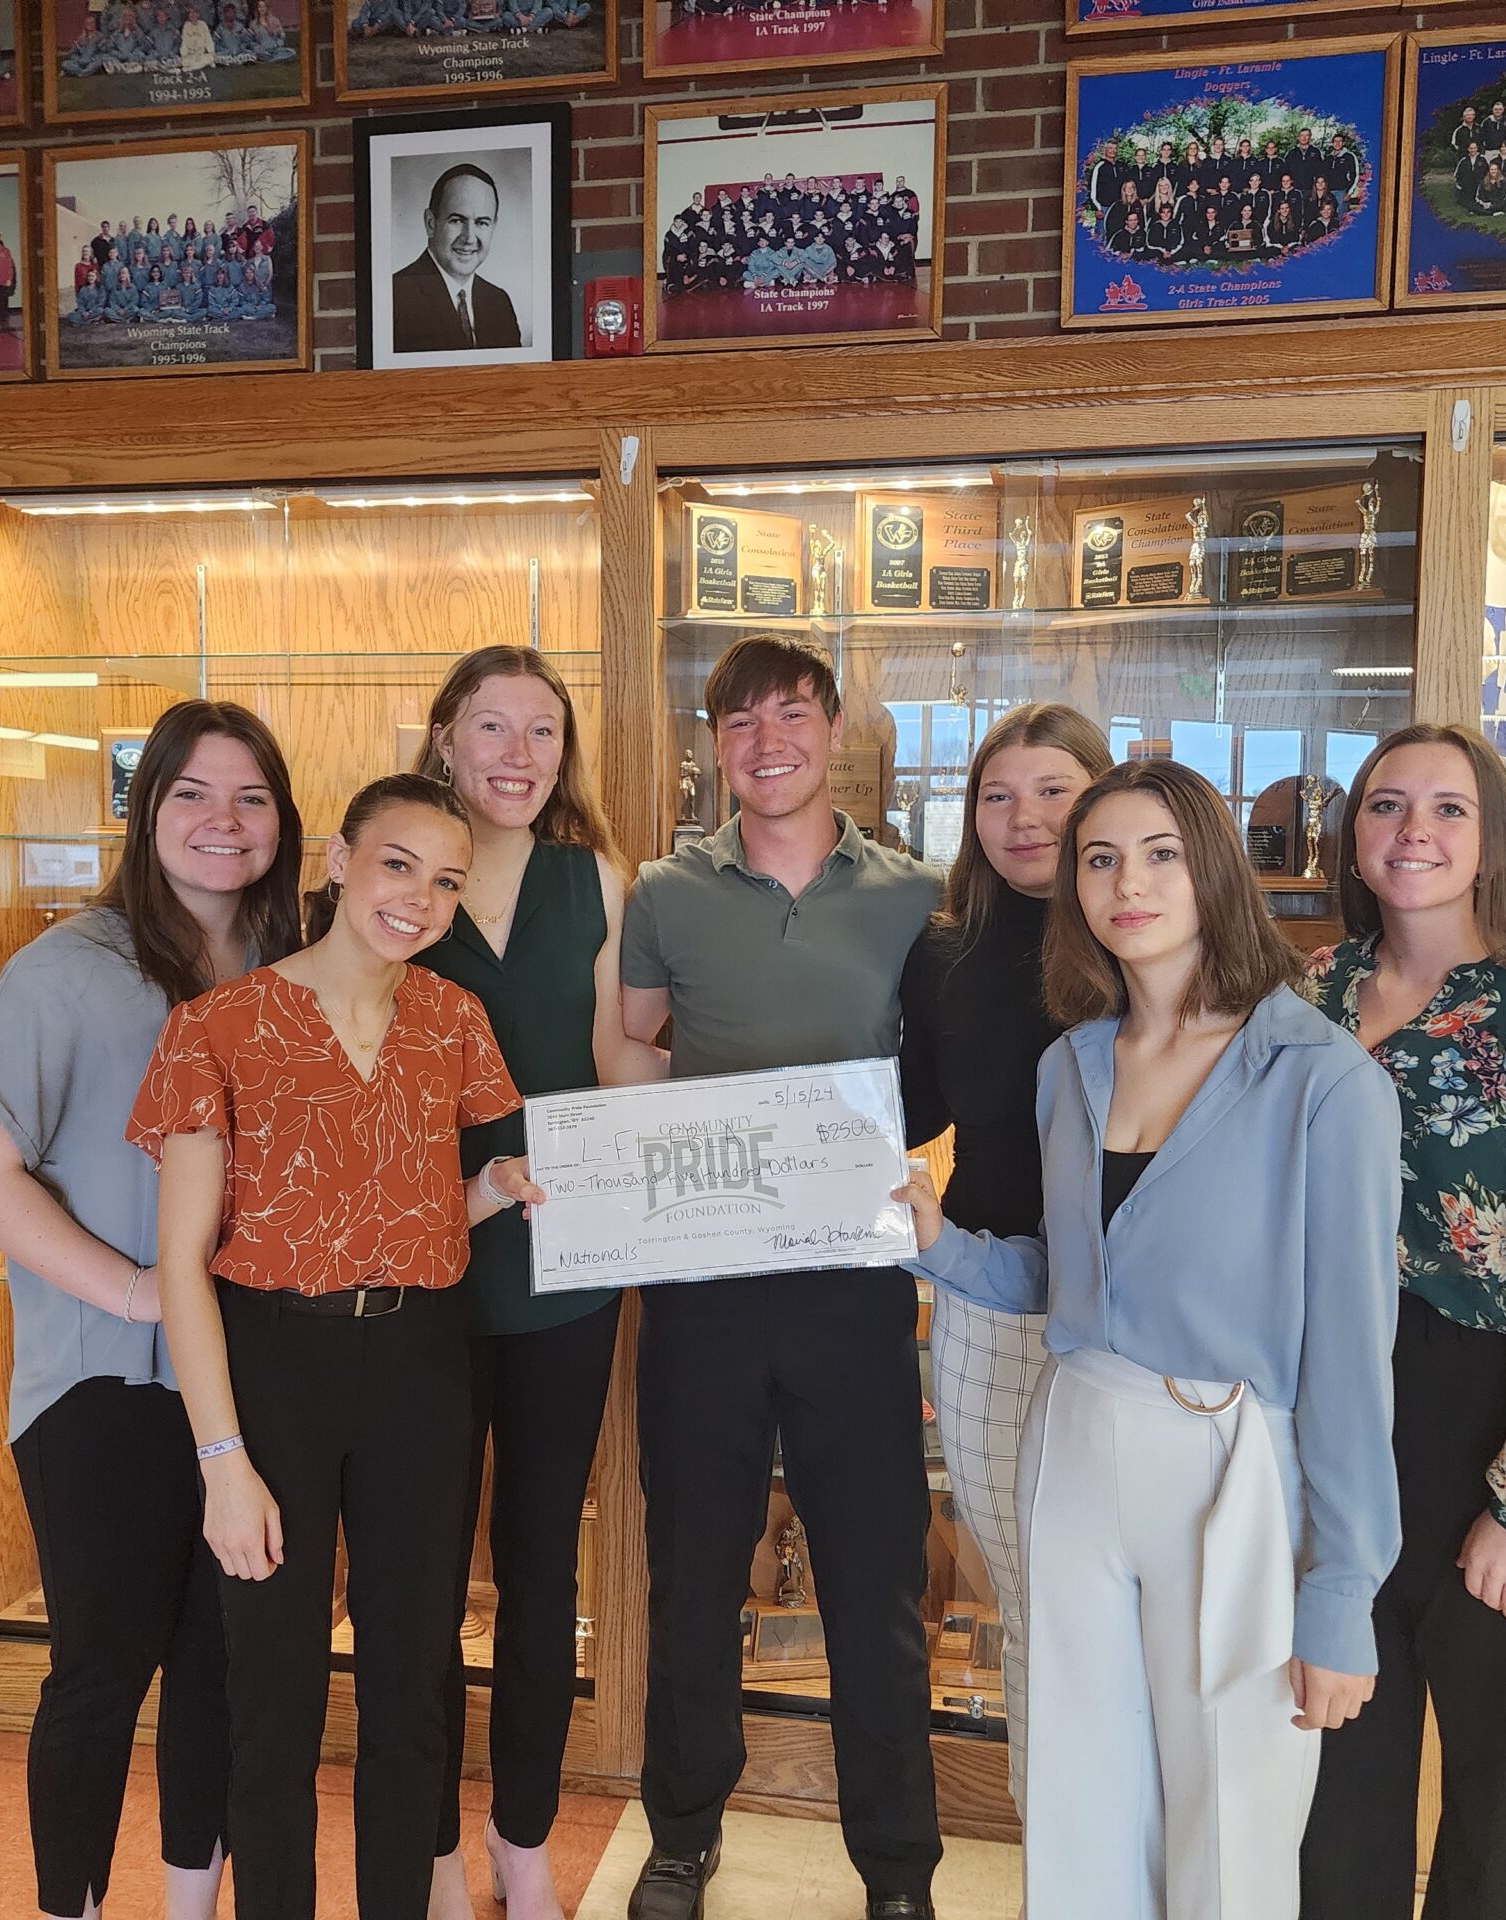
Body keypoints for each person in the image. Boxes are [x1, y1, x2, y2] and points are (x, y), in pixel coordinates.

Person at [896, 754, 1401, 1920]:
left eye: (1160, 855)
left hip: (1229, 1455)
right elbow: (1068, 1277)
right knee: (1077, 1790)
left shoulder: (1320, 1081)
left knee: (1230, 1805)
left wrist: (1342, 1595)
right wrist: (936, 1241)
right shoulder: (1071, 1063)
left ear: (1214, 872)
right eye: (1100, 859)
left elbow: (1350, 1358)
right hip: (1075, 1432)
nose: (1128, 884)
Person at [134, 771, 544, 1920]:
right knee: (274, 1693)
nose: (418, 897)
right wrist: (222, 1463)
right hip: (274, 1369)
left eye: (447, 879)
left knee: (416, 1684)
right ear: (338, 862)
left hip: (421, 1363)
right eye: (398, 864)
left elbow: (403, 1211)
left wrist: (492, 1189)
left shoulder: (453, 1021)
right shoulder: (217, 1027)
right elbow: (183, 1262)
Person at [0, 700, 305, 1920]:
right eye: (191, 793)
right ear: (144, 810)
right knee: (102, 1670)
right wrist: (144, 1293)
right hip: (102, 1384)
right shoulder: (64, 973)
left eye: (251, 797)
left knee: (219, 1669)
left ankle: (190, 1906)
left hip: (250, 1386)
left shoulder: (289, 971)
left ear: (283, 822)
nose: (222, 821)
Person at [617, 634, 944, 1920]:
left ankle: (898, 1872)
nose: (766, 743)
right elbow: (631, 1050)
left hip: (852, 1284)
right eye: (739, 722)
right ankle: (682, 1838)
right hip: (699, 1280)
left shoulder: (913, 895)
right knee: (693, 1577)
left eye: (790, 715)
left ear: (833, 726)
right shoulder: (664, 891)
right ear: (715, 745)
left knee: (876, 1587)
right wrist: (718, 1127)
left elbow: (943, 1069)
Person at [1298, 722, 1506, 1920]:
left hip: (1488, 1401)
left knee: (1500, 1786)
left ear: (1489, 836)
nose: (1413, 833)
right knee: (1335, 1755)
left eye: (1446, 809)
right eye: (1387, 807)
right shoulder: (1314, 994)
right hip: (1330, 1399)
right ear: (1353, 834)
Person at [409, 648, 649, 1920]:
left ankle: (521, 1841)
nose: (516, 752)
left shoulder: (594, 877)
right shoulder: (404, 876)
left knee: (542, 1565)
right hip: (422, 1274)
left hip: (568, 1269)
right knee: (425, 1579)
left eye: (542, 730)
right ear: (443, 738)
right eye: (489, 726)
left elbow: (619, 1062)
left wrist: (772, 1132)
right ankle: (437, 1859)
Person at [894, 703, 1109, 1823]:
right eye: (996, 796)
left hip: (1137, 1320)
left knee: (1119, 1603)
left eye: (1053, 791)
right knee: (1024, 1598)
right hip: (989, 1299)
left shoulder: (1149, 936)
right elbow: (907, 1104)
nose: (1023, 818)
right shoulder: (945, 956)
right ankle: (1057, 1858)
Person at [393, 164, 523, 354]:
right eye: (457, 220)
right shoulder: (396, 297)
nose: (469, 238)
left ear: (494, 226)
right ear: (431, 223)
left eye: (481, 223)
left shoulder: (498, 302)